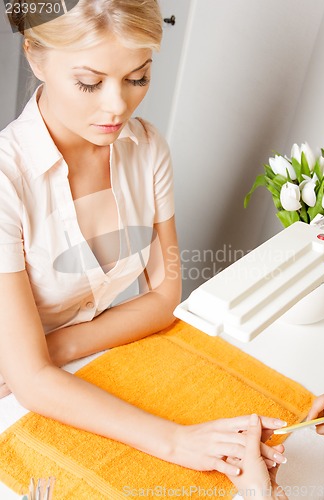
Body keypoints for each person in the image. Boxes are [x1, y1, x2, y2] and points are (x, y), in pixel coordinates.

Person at [0, 0, 287, 476]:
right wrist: (175, 442)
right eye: (89, 82)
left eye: (137, 78)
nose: (117, 106)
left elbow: (164, 296)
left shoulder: (147, 148)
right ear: (35, 56)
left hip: (71, 368)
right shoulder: (8, 178)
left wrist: (53, 351)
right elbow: (28, 383)